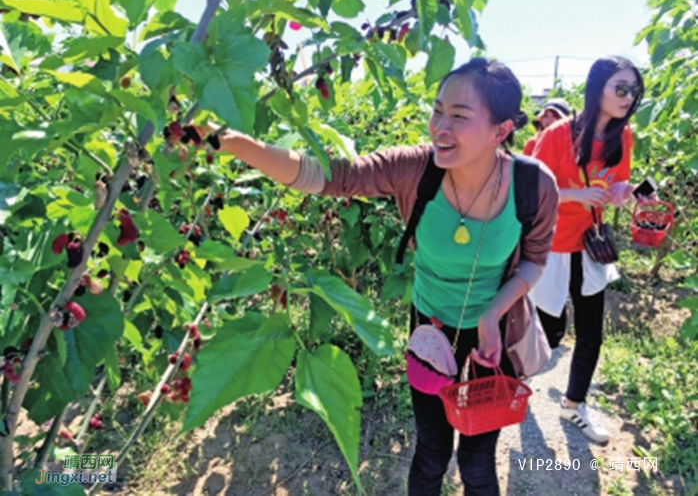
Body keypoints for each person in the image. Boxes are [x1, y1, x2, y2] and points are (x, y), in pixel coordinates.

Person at [198, 58, 559, 496]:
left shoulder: (532, 185)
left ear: (500, 130)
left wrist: (491, 315)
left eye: (459, 116)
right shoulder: (415, 168)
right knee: (431, 452)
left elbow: (534, 260)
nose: (440, 126)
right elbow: (331, 177)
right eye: (437, 110)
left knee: (478, 462)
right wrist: (236, 144)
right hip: (431, 330)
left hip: (494, 337)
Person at [529, 56, 644, 443]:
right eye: (621, 88)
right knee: (546, 329)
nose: (628, 97)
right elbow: (530, 190)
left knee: (591, 331)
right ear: (599, 89)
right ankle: (513, 383)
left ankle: (574, 404)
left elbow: (616, 184)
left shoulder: (622, 137)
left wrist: (622, 195)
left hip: (590, 244)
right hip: (551, 245)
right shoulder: (559, 134)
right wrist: (577, 193)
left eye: (633, 90)